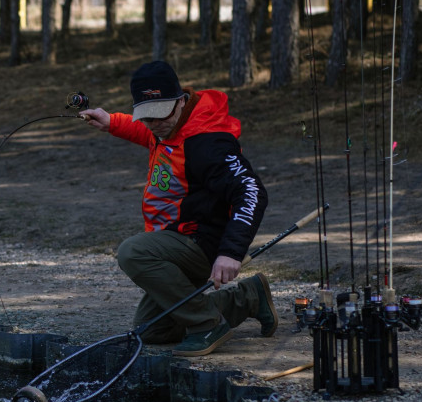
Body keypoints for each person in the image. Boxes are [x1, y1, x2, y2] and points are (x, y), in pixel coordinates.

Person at [80, 61, 277, 356]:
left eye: (160, 114)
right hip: (178, 238)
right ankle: (249, 297)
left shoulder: (207, 143)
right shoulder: (169, 127)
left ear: (181, 101)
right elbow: (146, 133)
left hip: (202, 242)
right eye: (146, 116)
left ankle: (208, 325)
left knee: (133, 252)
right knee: (152, 330)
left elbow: (251, 192)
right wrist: (111, 122)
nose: (153, 124)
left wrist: (231, 252)